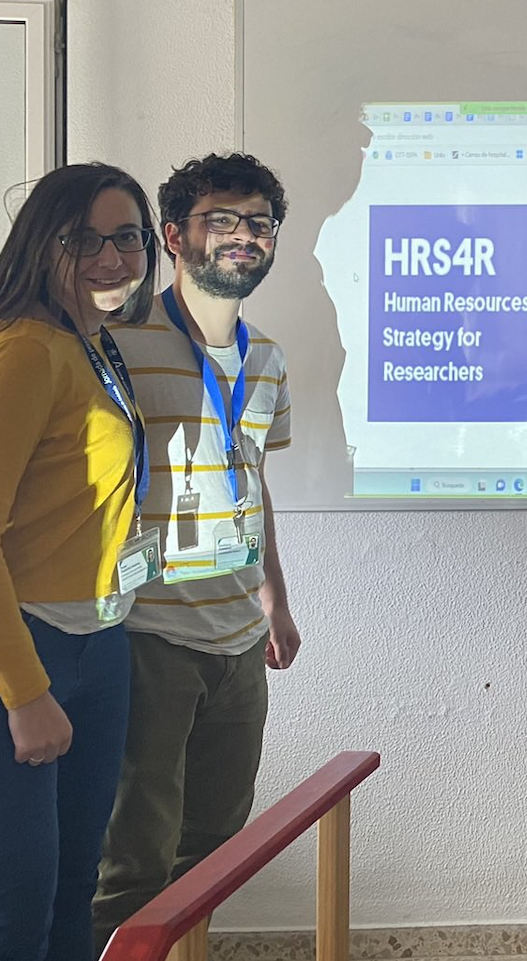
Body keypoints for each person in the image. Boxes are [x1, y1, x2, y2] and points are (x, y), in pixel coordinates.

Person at [92, 154, 301, 949]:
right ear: (173, 237)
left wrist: (275, 598)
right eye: (222, 220)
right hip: (147, 632)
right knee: (132, 859)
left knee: (216, 848)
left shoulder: (269, 357)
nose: (244, 237)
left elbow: (252, 483)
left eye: (258, 222)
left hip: (240, 637)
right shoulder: (115, 342)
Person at [0, 163, 159, 961]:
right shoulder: (28, 350)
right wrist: (25, 695)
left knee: (73, 887)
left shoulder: (95, 344)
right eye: (84, 239)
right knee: (18, 904)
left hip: (102, 643)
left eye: (126, 237)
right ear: (44, 243)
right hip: (29, 654)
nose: (110, 259)